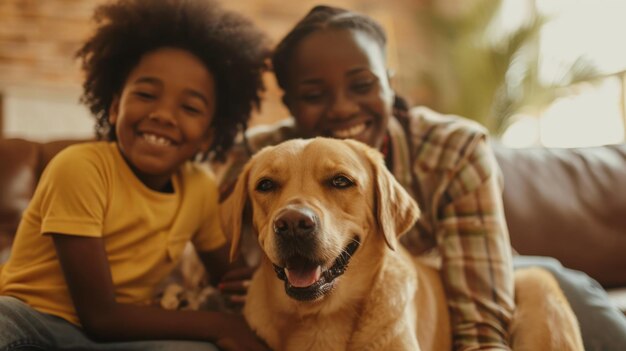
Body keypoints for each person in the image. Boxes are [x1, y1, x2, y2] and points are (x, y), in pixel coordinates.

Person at [214, 5, 626, 351]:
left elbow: (481, 307)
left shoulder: (456, 147)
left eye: (362, 86)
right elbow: (203, 253)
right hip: (369, 282)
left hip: (481, 275)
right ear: (290, 104)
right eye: (314, 95)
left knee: (546, 282)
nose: (341, 108)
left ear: (389, 86)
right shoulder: (259, 156)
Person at [0, 0, 270, 350]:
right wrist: (221, 325)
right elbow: (101, 316)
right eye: (145, 94)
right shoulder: (80, 167)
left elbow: (231, 278)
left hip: (121, 338)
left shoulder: (200, 188)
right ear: (115, 107)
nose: (163, 114)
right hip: (35, 323)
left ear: (209, 135)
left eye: (189, 107)